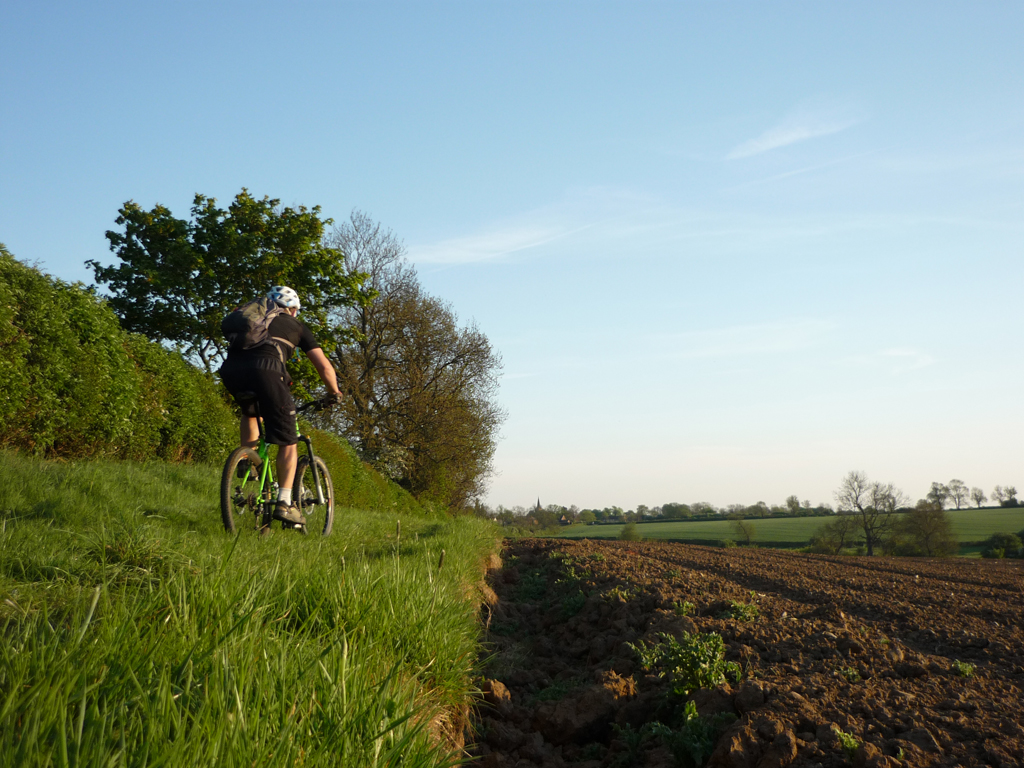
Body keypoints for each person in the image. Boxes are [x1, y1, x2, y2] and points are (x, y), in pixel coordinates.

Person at [219, 286, 342, 526]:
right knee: (288, 440)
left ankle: (248, 461)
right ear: (293, 310)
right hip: (267, 371)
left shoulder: (252, 318)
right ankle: (285, 503)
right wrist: (334, 392)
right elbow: (324, 366)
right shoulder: (296, 325)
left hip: (232, 371)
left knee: (251, 412)